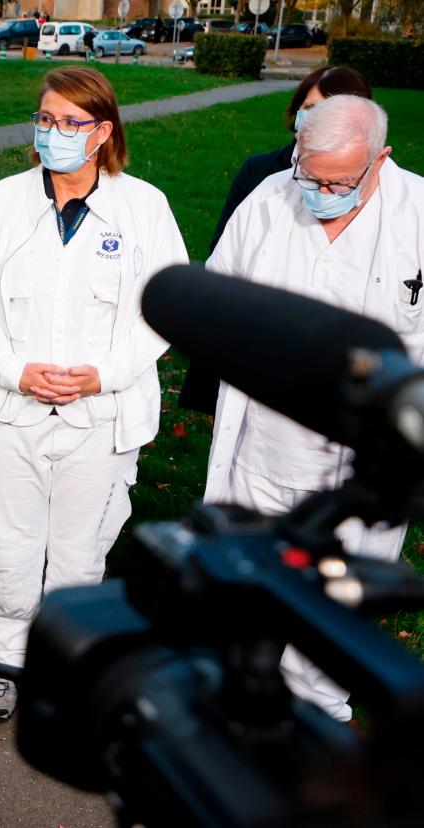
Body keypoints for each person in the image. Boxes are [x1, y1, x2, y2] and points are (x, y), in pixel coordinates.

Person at [0, 66, 187, 724]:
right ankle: (5, 662)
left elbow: (165, 305)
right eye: (46, 120)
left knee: (80, 555)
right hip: (12, 410)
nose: (55, 133)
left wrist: (103, 374)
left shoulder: (144, 208)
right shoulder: (4, 201)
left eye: (72, 123)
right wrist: (13, 369)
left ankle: (66, 667)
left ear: (103, 131)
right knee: (9, 546)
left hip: (99, 417)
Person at [205, 94, 424, 722]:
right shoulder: (271, 199)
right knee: (245, 600)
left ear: (380, 159)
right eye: (311, 173)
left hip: (362, 469)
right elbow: (217, 294)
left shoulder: (417, 216)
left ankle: (318, 724)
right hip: (263, 451)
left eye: (338, 181)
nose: (320, 190)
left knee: (330, 626)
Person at [179, 67, 373, 415]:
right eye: (311, 108)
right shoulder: (263, 177)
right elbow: (224, 260)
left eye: (332, 109)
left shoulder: (392, 196)